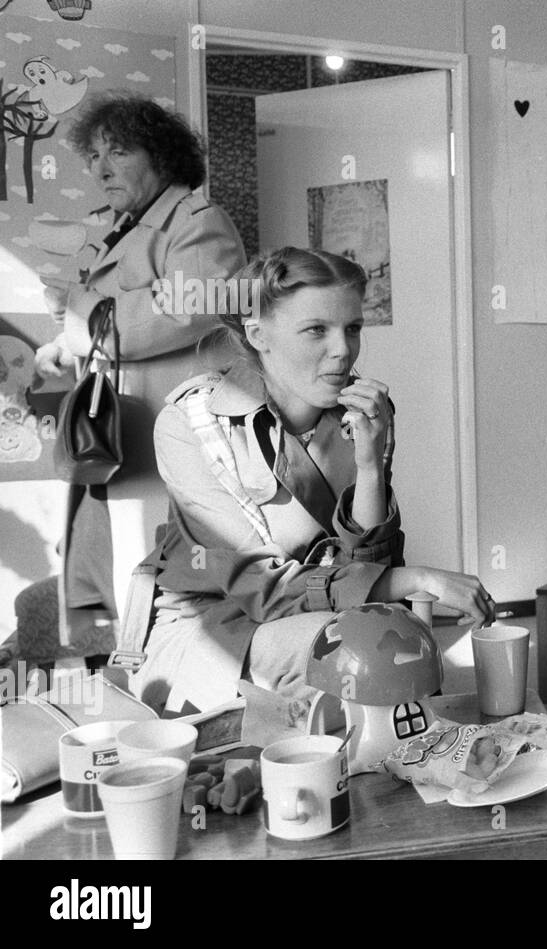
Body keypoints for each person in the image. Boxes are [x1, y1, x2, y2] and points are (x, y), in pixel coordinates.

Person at [130, 248, 494, 713]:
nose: (343, 350)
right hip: (214, 629)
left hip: (323, 617)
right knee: (357, 659)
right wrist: (419, 578)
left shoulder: (361, 414)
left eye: (353, 328)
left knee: (388, 654)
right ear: (258, 334)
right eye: (316, 330)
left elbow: (368, 565)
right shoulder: (191, 423)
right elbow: (263, 590)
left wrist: (369, 467)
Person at [33, 92, 246, 631]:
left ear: (162, 157)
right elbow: (122, 325)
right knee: (127, 571)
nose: (101, 170)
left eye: (119, 153)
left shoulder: (198, 219)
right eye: (95, 157)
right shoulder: (131, 227)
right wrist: (67, 344)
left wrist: (79, 314)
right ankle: (135, 678)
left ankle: (169, 689)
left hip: (171, 435)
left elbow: (189, 309)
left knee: (167, 581)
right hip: (132, 431)